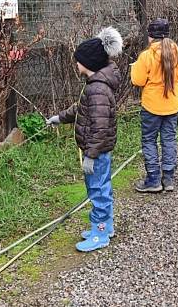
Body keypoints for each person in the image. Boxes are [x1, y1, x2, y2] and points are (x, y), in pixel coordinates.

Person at [46, 27, 123, 252]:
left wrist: (90, 155)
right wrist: (60, 118)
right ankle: (105, 227)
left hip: (96, 152)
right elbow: (81, 109)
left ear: (88, 63)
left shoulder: (97, 89)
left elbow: (100, 127)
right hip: (96, 151)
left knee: (98, 191)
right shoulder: (94, 85)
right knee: (100, 188)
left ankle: (100, 234)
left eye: (78, 60)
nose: (76, 64)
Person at [131, 18, 178, 193]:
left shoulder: (146, 56)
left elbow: (138, 80)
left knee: (149, 140)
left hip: (151, 107)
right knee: (169, 140)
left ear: (150, 37)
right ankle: (169, 177)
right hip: (172, 106)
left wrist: (135, 68)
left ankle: (153, 179)